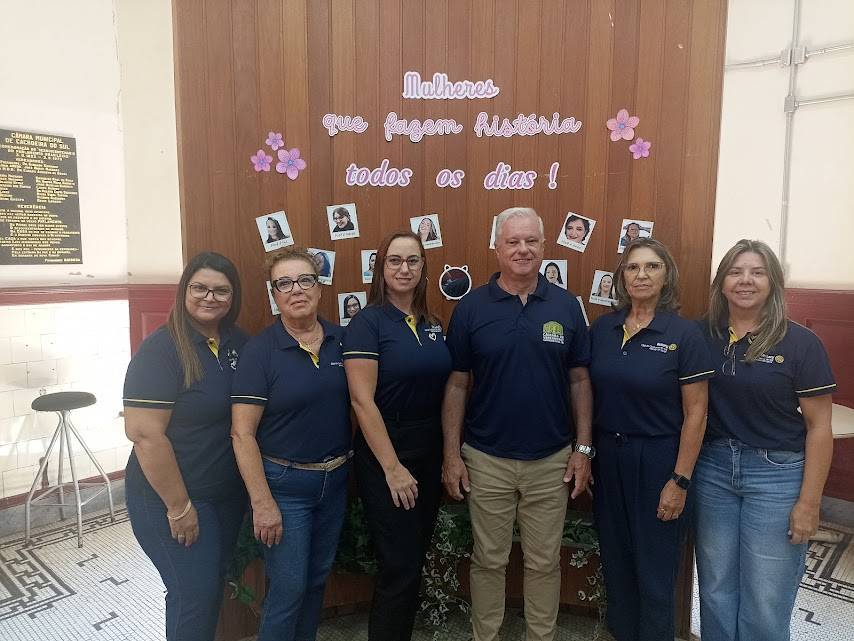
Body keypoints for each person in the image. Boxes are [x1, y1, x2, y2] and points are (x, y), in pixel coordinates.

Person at [442, 207, 594, 641]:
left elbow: (580, 380)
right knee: (488, 560)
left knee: (544, 563)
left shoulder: (567, 306)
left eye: (531, 241)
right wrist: (452, 455)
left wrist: (583, 449)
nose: (522, 249)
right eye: (513, 241)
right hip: (485, 458)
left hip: (552, 460)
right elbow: (457, 384)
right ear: (496, 247)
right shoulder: (471, 308)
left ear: (544, 246)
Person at [694, 239, 835, 641]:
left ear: (773, 282)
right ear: (721, 282)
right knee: (716, 587)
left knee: (766, 595)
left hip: (777, 475)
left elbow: (819, 427)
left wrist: (809, 503)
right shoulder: (702, 335)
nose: (745, 280)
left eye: (757, 272)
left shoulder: (800, 343)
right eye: (735, 272)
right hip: (713, 469)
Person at [588, 238, 714, 641]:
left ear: (666, 276)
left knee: (655, 571)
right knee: (617, 563)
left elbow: (697, 413)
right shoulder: (602, 329)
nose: (641, 275)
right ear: (621, 277)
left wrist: (680, 480)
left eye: (652, 266)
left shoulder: (684, 334)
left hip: (660, 460)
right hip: (609, 458)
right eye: (632, 267)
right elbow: (585, 392)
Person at [122, 252, 248, 641]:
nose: (210, 297)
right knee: (194, 595)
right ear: (184, 291)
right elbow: (144, 434)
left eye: (221, 290)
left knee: (211, 587)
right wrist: (179, 508)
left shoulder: (238, 342)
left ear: (233, 296)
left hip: (224, 494)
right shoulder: (161, 350)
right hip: (171, 498)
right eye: (200, 288)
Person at [230, 247, 352, 641]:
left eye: (305, 280)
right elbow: (242, 433)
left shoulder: (341, 340)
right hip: (285, 488)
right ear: (274, 295)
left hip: (335, 481)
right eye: (284, 283)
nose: (296, 289)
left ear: (319, 288)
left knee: (316, 581)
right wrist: (262, 502)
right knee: (288, 589)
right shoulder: (260, 351)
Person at [342, 231, 452, 641]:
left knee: (414, 558)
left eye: (412, 260)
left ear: (423, 268)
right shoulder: (367, 323)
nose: (404, 269)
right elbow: (361, 401)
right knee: (399, 565)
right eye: (394, 260)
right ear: (381, 268)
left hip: (428, 448)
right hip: (386, 452)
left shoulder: (432, 323)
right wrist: (392, 468)